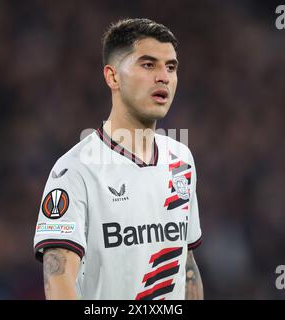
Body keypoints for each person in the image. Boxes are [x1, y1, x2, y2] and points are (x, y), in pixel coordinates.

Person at [33, 18, 203, 300]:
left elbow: (187, 266)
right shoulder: (75, 170)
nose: (163, 77)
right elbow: (58, 277)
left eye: (170, 67)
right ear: (112, 76)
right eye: (148, 65)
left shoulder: (181, 160)